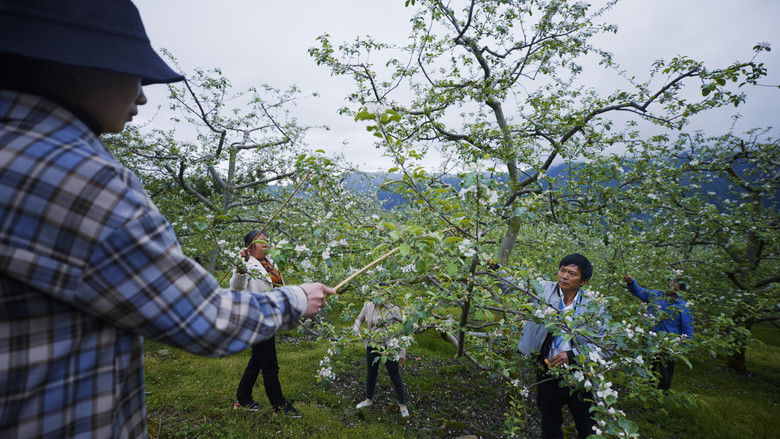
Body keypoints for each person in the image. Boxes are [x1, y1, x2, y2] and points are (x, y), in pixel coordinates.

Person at [0, 1, 334, 438]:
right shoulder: (84, 179)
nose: (141, 96)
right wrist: (296, 299)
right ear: (78, 67)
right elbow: (200, 317)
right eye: (135, 76)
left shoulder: (16, 153)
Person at [516, 254, 603, 439]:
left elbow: (606, 344)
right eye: (562, 270)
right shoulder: (543, 289)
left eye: (572, 274)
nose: (564, 276)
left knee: (587, 423)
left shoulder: (593, 307)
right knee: (549, 420)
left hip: (580, 372)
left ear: (584, 282)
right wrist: (493, 268)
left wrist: (572, 355)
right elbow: (513, 284)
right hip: (548, 368)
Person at [231, 231, 301, 417]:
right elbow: (236, 287)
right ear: (249, 246)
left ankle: (242, 398)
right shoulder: (246, 264)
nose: (266, 244)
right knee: (270, 365)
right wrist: (241, 264)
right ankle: (280, 406)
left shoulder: (271, 263)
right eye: (261, 241)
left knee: (257, 361)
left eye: (266, 241)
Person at [623, 273, 694, 390]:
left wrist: (684, 346)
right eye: (670, 281)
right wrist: (632, 282)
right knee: (647, 368)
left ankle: (662, 394)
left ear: (680, 287)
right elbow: (640, 291)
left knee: (665, 374)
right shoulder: (656, 296)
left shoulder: (683, 306)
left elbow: (687, 327)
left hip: (668, 345)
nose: (670, 284)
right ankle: (645, 391)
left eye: (674, 283)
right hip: (650, 341)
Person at [352, 291, 409, 418]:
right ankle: (368, 399)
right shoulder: (368, 305)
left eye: (384, 294)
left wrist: (402, 353)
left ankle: (402, 405)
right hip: (372, 345)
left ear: (388, 294)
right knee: (371, 373)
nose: (381, 296)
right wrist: (356, 327)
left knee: (394, 375)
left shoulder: (394, 309)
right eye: (379, 293)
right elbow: (359, 318)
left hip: (389, 348)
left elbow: (401, 332)